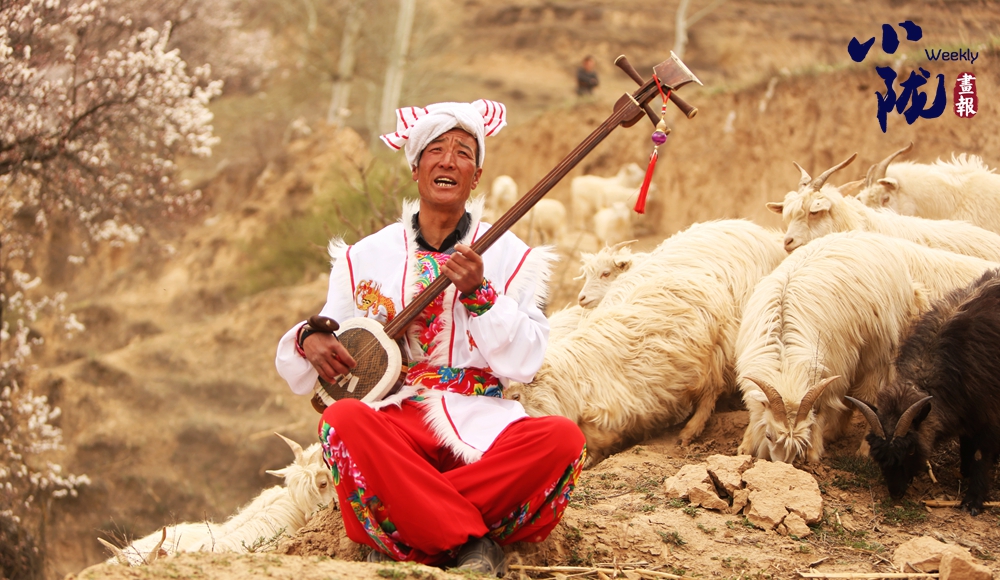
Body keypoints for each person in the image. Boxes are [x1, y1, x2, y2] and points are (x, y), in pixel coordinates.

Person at [275, 99, 587, 575]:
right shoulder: (365, 256)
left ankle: (410, 529)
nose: (448, 161)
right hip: (397, 421)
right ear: (416, 168)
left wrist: (481, 295)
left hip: (484, 418)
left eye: (463, 152)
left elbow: (525, 361)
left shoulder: (514, 257)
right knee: (341, 421)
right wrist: (307, 340)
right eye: (435, 150)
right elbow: (326, 338)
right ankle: (474, 544)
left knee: (562, 440)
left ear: (476, 176)